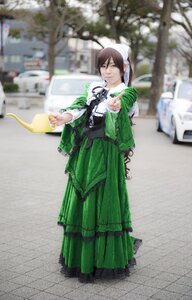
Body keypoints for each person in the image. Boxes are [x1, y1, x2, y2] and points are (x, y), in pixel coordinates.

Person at [49, 43, 142, 283]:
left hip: (106, 155)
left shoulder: (126, 91)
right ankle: (80, 258)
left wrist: (116, 104)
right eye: (103, 65)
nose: (107, 71)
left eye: (112, 66)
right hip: (85, 154)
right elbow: (79, 107)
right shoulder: (92, 87)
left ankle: (104, 259)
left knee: (102, 201)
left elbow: (125, 101)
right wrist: (63, 116)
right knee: (82, 199)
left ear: (123, 68)